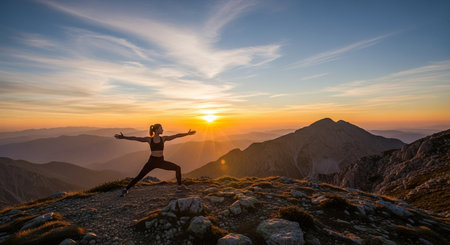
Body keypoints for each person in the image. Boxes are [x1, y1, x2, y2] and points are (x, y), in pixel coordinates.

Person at [114, 123, 196, 197]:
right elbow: (136, 138)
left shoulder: (163, 138)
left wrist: (187, 134)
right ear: (157, 130)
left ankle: (180, 187)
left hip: (161, 162)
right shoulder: (149, 139)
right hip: (152, 162)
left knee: (177, 168)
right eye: (161, 128)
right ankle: (126, 189)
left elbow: (176, 136)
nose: (163, 129)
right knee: (140, 176)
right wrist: (124, 137)